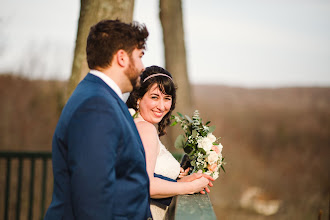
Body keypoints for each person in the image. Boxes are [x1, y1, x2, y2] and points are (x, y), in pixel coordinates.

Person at [44, 19, 152, 220]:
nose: (142, 66)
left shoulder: (100, 96)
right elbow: (92, 195)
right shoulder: (96, 106)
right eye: (139, 56)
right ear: (122, 58)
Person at [126, 66, 214, 219]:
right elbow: (146, 185)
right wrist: (190, 187)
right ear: (138, 98)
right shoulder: (145, 129)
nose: (161, 106)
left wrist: (181, 180)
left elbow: (142, 175)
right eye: (154, 97)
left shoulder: (133, 124)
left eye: (167, 98)